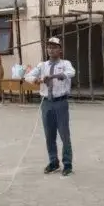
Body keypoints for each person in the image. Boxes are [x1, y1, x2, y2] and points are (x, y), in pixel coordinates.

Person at [25, 37, 76, 176]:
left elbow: (71, 72)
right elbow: (28, 76)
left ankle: (67, 164)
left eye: (54, 47)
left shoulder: (65, 64)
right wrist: (36, 80)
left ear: (60, 49)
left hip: (60, 102)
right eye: (49, 47)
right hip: (46, 103)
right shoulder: (42, 65)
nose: (51, 50)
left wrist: (54, 76)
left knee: (64, 134)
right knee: (49, 134)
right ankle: (53, 162)